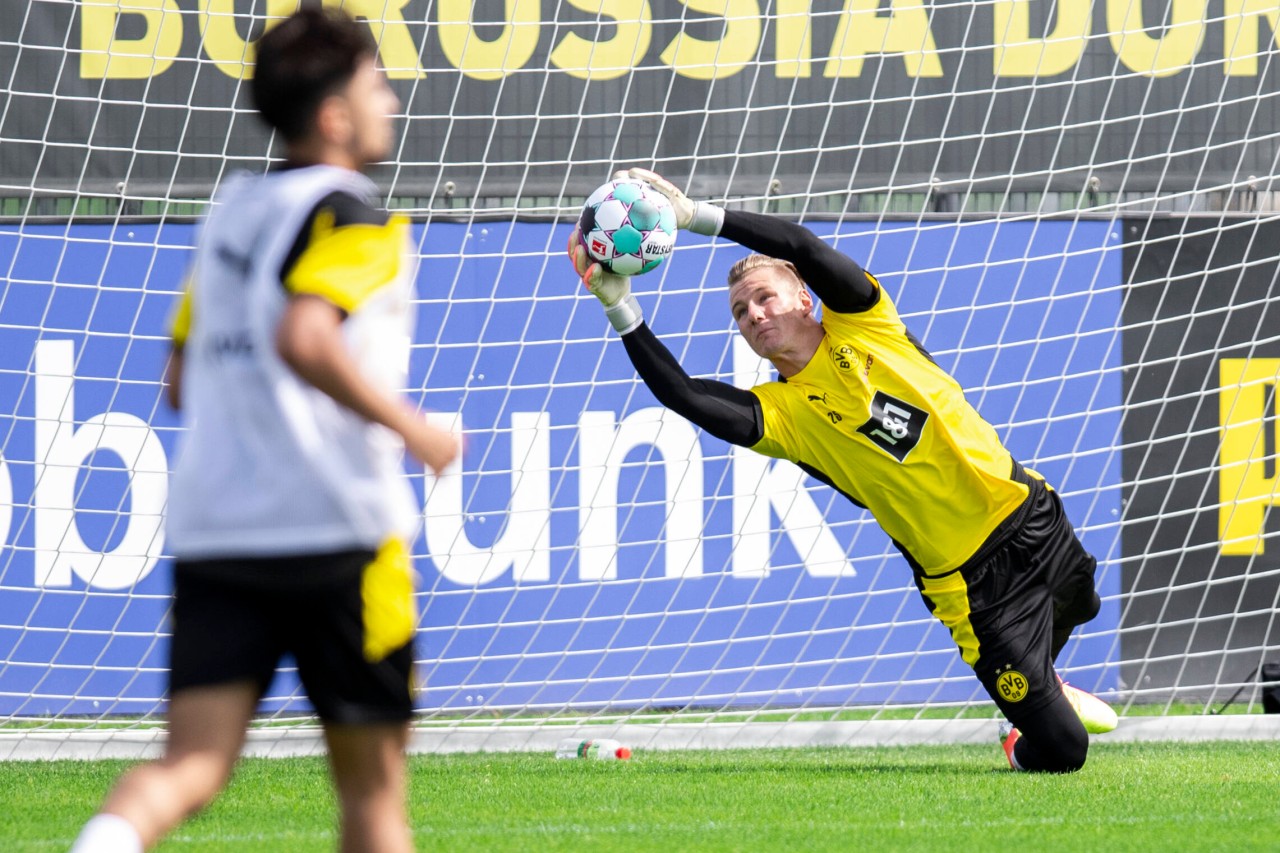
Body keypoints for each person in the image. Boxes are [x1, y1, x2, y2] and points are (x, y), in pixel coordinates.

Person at [568, 168, 1118, 773]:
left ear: (805, 299)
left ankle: (1046, 684)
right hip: (973, 586)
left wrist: (695, 214)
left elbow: (802, 248)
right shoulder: (784, 415)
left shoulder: (866, 320)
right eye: (740, 312)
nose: (753, 314)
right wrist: (620, 304)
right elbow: (683, 394)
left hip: (1031, 514)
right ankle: (1025, 731)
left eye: (764, 296)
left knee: (1082, 604)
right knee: (1065, 752)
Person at [70, 9, 458, 852]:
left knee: (190, 768)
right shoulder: (357, 217)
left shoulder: (231, 214)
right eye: (376, 86)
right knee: (373, 797)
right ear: (333, 116)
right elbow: (305, 337)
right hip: (339, 534)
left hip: (220, 534)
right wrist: (413, 428)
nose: (391, 100)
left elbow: (179, 379)